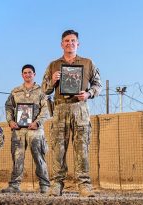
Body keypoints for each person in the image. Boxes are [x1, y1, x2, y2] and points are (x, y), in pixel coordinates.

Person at [41, 30, 102, 197]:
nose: (70, 43)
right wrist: (52, 80)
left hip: (80, 108)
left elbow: (98, 84)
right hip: (60, 109)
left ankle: (84, 184)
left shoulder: (88, 63)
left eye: (73, 40)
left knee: (82, 148)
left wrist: (88, 94)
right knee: (58, 148)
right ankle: (56, 184)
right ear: (62, 44)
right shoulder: (54, 65)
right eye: (66, 41)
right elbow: (44, 90)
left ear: (78, 44)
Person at [2, 64, 50, 194]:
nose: (27, 75)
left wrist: (37, 122)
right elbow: (8, 107)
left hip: (35, 130)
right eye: (25, 73)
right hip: (18, 131)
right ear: (22, 75)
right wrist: (10, 121)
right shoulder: (15, 91)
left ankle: (45, 186)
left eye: (30, 72)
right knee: (17, 158)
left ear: (34, 74)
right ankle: (14, 186)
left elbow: (46, 109)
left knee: (39, 158)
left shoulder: (41, 91)